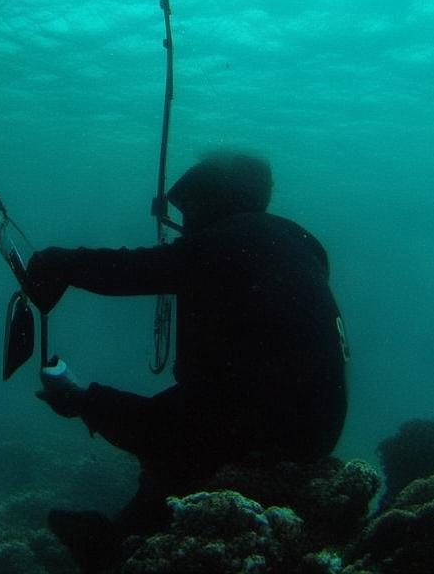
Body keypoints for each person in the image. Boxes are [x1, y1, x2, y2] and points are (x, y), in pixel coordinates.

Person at [23, 149, 349, 573]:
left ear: (213, 201)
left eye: (188, 210)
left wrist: (59, 263)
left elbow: (136, 270)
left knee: (169, 432)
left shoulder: (232, 239)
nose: (182, 226)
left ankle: (118, 541)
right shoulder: (292, 245)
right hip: (319, 428)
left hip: (267, 428)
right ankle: (122, 536)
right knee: (183, 437)